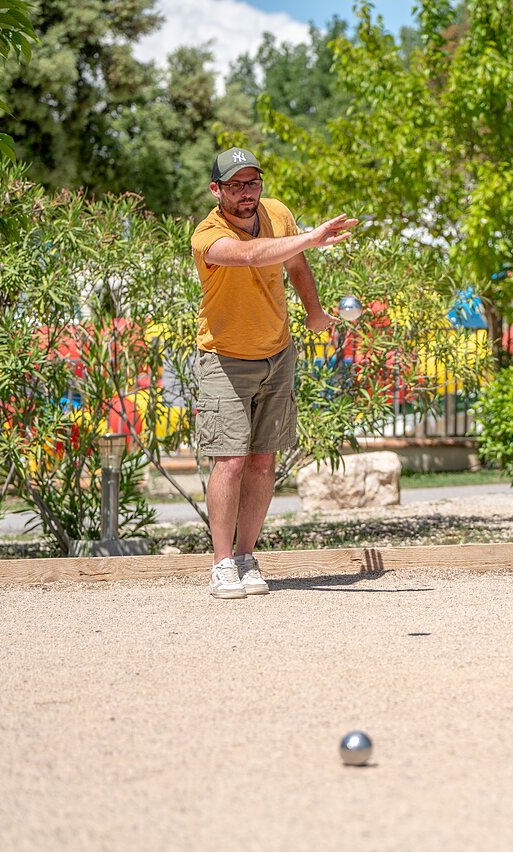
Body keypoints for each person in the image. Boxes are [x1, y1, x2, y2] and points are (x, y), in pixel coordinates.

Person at [190, 147, 358, 599]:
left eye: (253, 182)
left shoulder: (277, 212)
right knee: (230, 461)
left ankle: (246, 557)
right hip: (224, 358)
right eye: (236, 185)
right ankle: (220, 563)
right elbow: (251, 256)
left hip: (277, 353)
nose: (247, 193)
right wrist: (311, 236)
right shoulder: (208, 236)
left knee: (263, 461)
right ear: (216, 190)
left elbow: (294, 264)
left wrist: (315, 311)